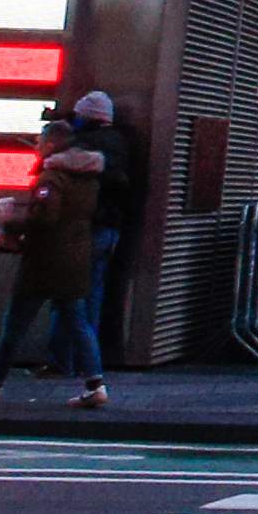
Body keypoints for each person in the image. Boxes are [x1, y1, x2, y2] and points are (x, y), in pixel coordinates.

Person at [0, 117, 110, 410]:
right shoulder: (89, 177)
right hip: (76, 257)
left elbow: (44, 219)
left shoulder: (52, 178)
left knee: (14, 326)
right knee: (78, 321)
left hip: (45, 261)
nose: (36, 147)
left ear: (50, 144)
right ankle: (95, 384)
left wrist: (9, 220)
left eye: (39, 141)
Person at [67, 88, 144, 362]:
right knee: (94, 292)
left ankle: (66, 357)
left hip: (88, 226)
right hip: (112, 226)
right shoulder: (122, 144)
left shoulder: (84, 146)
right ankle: (89, 358)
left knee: (70, 296)